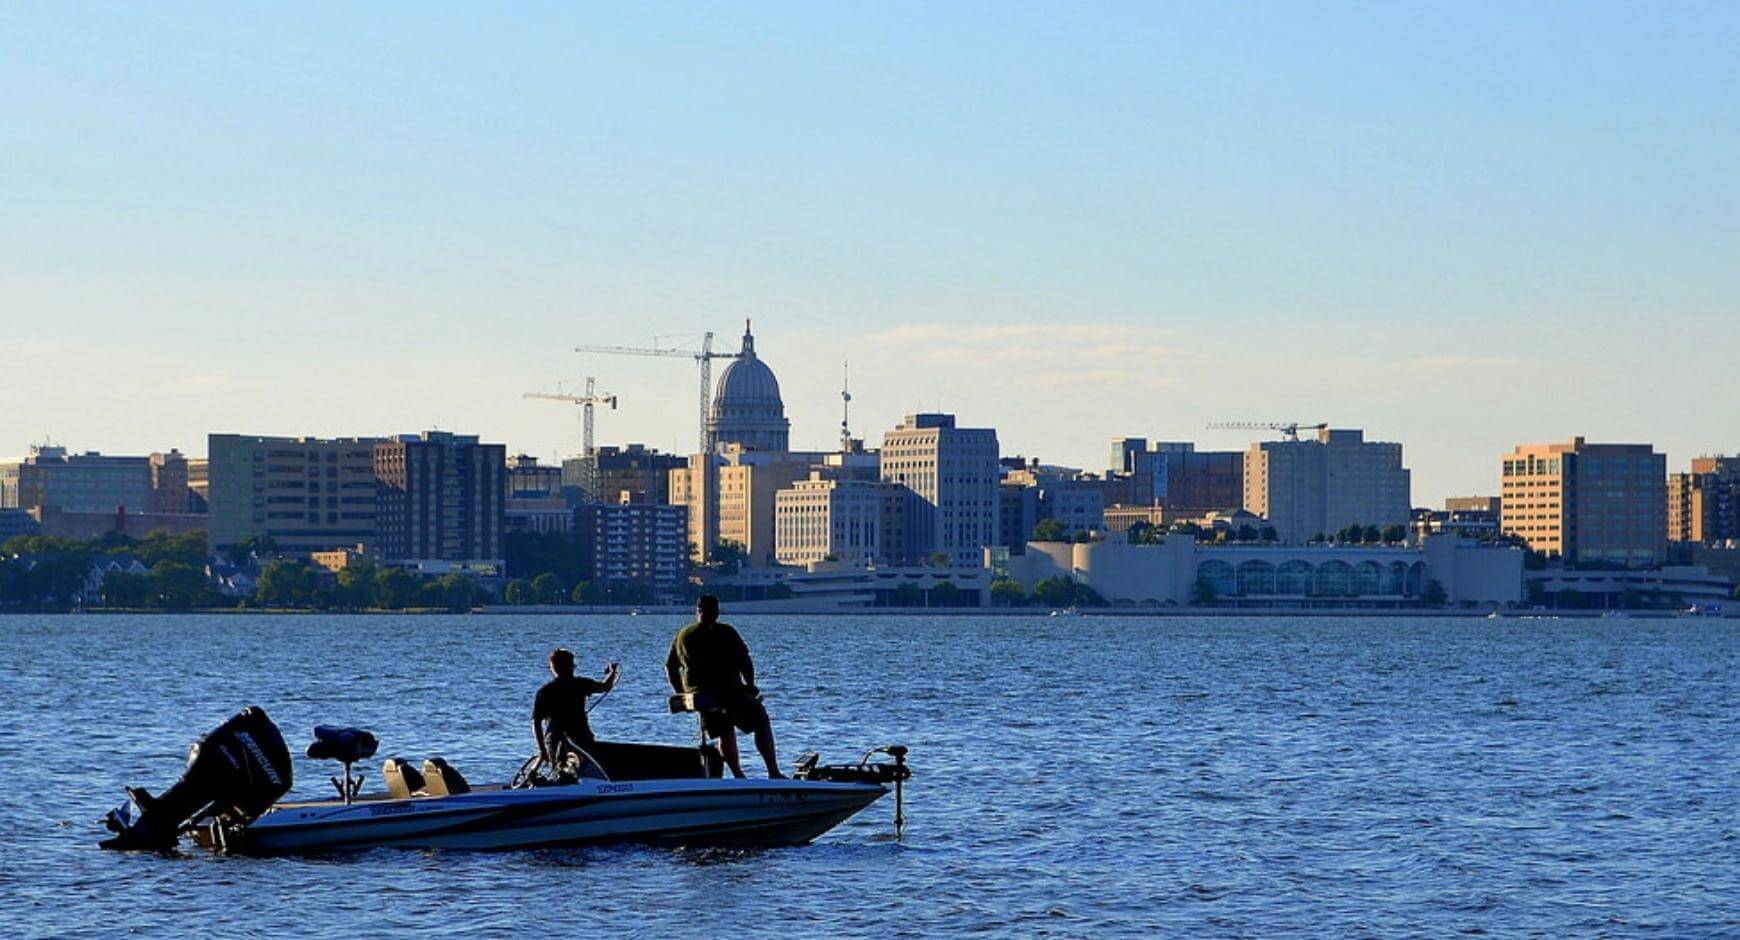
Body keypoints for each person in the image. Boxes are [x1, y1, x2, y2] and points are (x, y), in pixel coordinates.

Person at [665, 595, 783, 778]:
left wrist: (681, 693)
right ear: (717, 612)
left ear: (697, 610)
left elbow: (671, 667)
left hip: (699, 696)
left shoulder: (683, 634)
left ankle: (737, 775)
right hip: (728, 692)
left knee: (724, 730)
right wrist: (751, 685)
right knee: (761, 719)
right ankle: (773, 771)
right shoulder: (726, 632)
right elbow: (745, 661)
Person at [532, 647, 619, 776]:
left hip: (554, 741)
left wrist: (542, 749)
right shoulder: (581, 684)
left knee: (562, 773)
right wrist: (612, 673)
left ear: (553, 668)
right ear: (571, 666)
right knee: (585, 772)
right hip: (581, 740)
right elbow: (605, 687)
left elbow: (536, 723)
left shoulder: (544, 691)